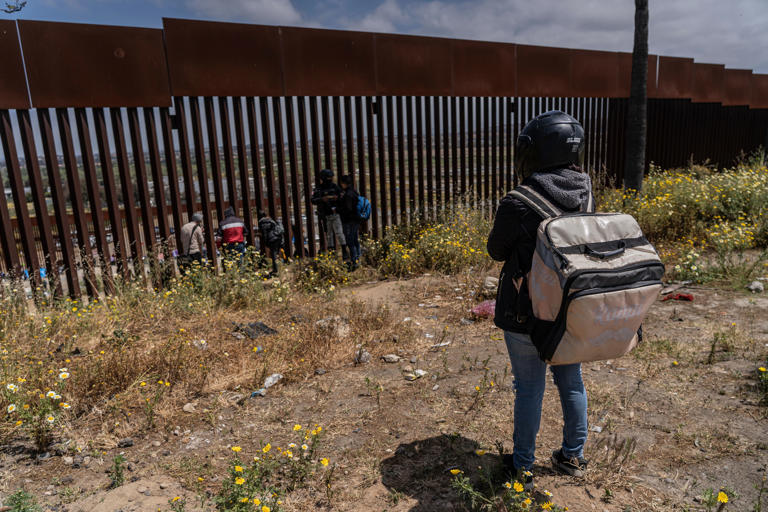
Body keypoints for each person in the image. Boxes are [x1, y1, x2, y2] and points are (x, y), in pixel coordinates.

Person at [486, 111, 593, 485]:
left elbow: (497, 251)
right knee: (573, 381)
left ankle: (522, 467)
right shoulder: (584, 189)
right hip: (572, 308)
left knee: (530, 388)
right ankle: (572, 456)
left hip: (525, 311)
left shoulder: (518, 201)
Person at [311, 169, 348, 260]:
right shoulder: (318, 188)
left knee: (339, 233)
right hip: (325, 215)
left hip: (335, 214)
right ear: (323, 178)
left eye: (331, 177)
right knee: (329, 235)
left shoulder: (335, 187)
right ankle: (331, 255)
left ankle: (344, 252)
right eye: (328, 177)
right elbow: (313, 200)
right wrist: (322, 199)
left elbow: (342, 196)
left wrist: (337, 198)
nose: (330, 179)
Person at [338, 174, 362, 270]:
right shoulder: (354, 192)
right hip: (356, 220)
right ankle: (358, 259)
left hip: (349, 221)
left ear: (343, 183)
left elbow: (348, 209)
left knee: (350, 241)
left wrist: (338, 209)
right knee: (355, 240)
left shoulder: (347, 194)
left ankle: (354, 262)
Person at [257, 210, 284, 276]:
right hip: (278, 238)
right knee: (277, 253)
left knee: (274, 254)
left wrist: (266, 242)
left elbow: (265, 234)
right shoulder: (270, 220)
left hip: (272, 239)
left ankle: (276, 270)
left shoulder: (262, 223)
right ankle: (281, 266)